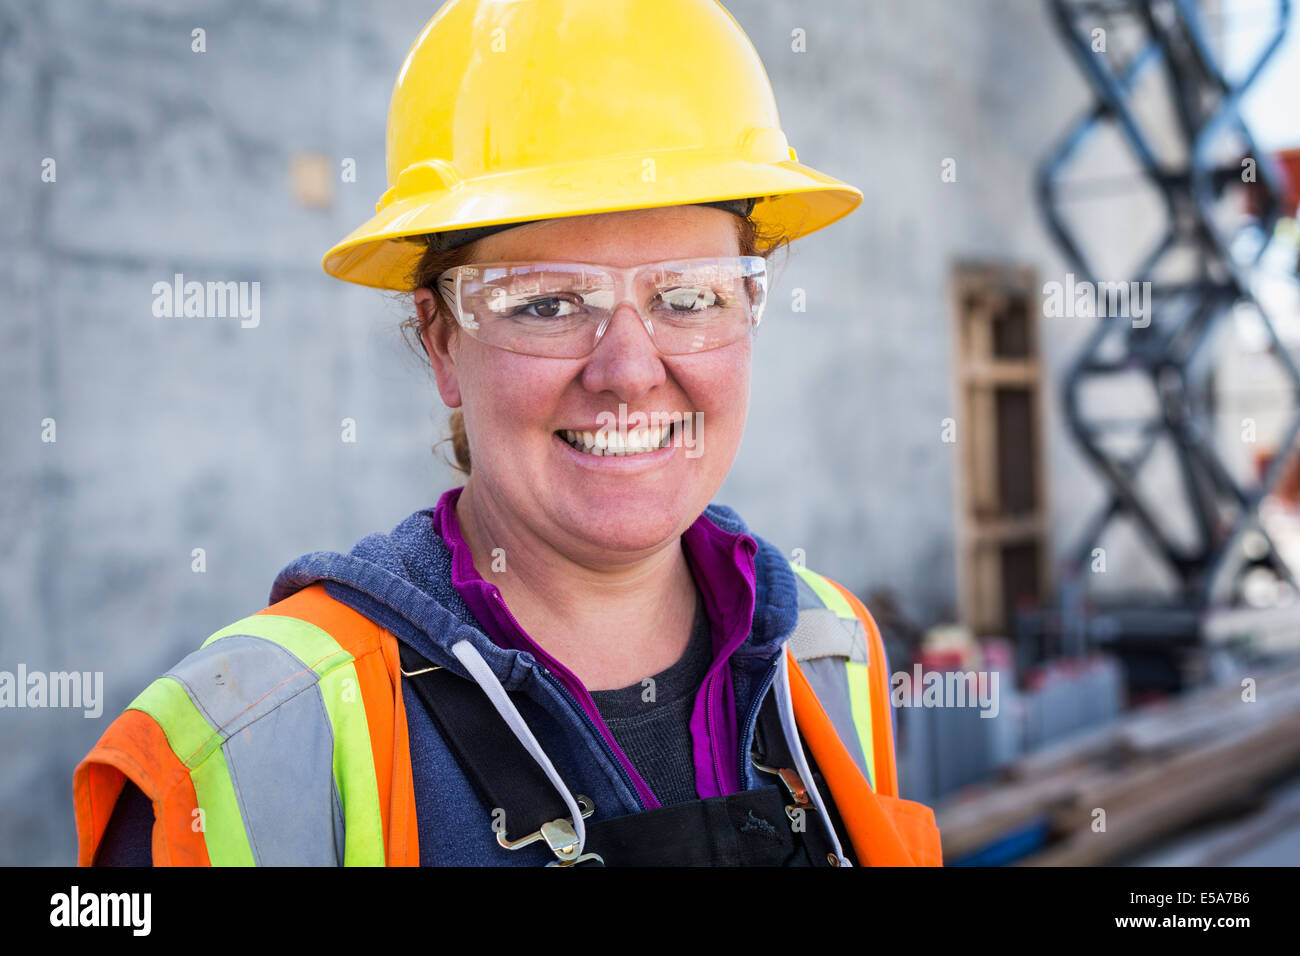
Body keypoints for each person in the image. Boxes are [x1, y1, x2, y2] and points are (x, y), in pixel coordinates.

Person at [75, 0, 942, 867]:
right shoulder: (249, 749)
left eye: (688, 297)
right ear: (442, 343)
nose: (629, 371)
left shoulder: (828, 650)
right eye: (547, 303)